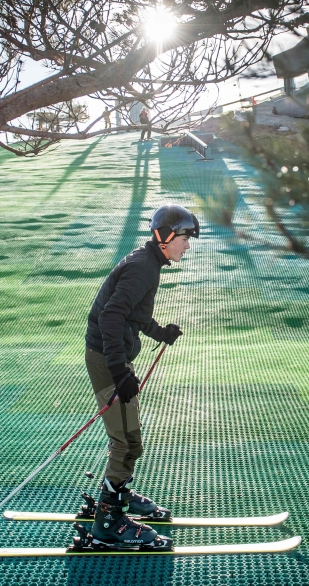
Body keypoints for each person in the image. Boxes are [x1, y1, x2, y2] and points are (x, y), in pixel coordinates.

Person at [83, 204, 199, 549]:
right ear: (164, 236)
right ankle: (108, 521)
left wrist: (159, 332)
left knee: (131, 439)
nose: (187, 246)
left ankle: (117, 494)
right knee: (125, 441)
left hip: (113, 356)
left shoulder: (148, 263)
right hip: (107, 359)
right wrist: (120, 370)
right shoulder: (142, 268)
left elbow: (132, 314)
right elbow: (110, 317)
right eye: (184, 238)